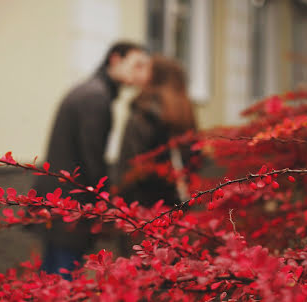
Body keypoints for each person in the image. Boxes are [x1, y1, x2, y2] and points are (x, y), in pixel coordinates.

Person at [33, 41, 150, 277]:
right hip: (70, 209)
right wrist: (106, 206)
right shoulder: (96, 98)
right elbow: (93, 160)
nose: (141, 73)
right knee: (63, 281)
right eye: (136, 65)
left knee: (50, 279)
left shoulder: (91, 91)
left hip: (61, 203)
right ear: (115, 59)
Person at [114, 55, 196, 256]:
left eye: (146, 68)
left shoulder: (142, 111)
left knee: (138, 270)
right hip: (176, 207)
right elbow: (195, 158)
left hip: (141, 209)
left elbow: (130, 165)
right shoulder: (185, 112)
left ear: (155, 76)